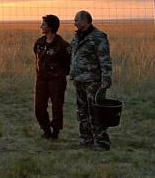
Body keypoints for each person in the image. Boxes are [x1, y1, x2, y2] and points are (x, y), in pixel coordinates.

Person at [70, 10, 113, 150]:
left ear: (85, 21)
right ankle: (86, 139)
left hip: (93, 80)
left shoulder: (98, 37)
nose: (74, 23)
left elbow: (104, 58)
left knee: (95, 111)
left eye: (76, 20)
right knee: (82, 111)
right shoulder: (76, 37)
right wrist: (73, 75)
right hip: (79, 80)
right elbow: (74, 58)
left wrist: (106, 78)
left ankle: (102, 142)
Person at [33, 14, 71, 140]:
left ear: (50, 27)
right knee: (39, 107)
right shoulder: (39, 43)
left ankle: (55, 132)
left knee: (56, 106)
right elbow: (37, 57)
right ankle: (45, 129)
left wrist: (59, 74)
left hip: (57, 80)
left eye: (43, 24)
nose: (41, 27)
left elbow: (68, 63)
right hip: (42, 79)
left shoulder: (63, 45)